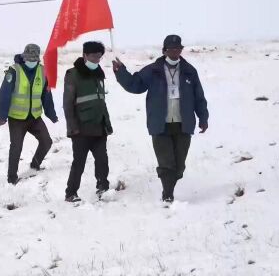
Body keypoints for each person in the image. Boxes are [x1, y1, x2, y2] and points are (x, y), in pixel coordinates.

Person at [112, 34, 209, 203]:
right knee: (166, 163)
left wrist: (203, 117)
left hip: (183, 123)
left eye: (178, 48)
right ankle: (168, 193)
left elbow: (198, 96)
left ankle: (170, 184)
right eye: (171, 49)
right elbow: (135, 85)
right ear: (164, 50)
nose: (175, 52)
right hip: (160, 123)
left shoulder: (189, 71)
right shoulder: (153, 70)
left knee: (179, 167)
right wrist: (121, 72)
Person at [0, 43, 58, 185]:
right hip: (17, 119)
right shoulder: (14, 71)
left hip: (35, 118)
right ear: (24, 57)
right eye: (29, 59)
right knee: (16, 147)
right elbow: (4, 95)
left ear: (38, 59)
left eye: (34, 60)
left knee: (46, 142)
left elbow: (46, 95)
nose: (31, 62)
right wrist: (2, 115)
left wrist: (51, 114)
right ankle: (12, 178)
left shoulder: (43, 72)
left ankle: (35, 165)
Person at [63, 41, 113, 202]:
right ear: (84, 55)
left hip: (99, 126)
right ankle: (71, 193)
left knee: (102, 160)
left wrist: (107, 123)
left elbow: (100, 101)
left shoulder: (99, 74)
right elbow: (67, 104)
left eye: (99, 56)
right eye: (93, 56)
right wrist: (72, 127)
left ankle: (103, 187)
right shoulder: (73, 74)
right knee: (79, 163)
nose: (96, 59)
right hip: (81, 129)